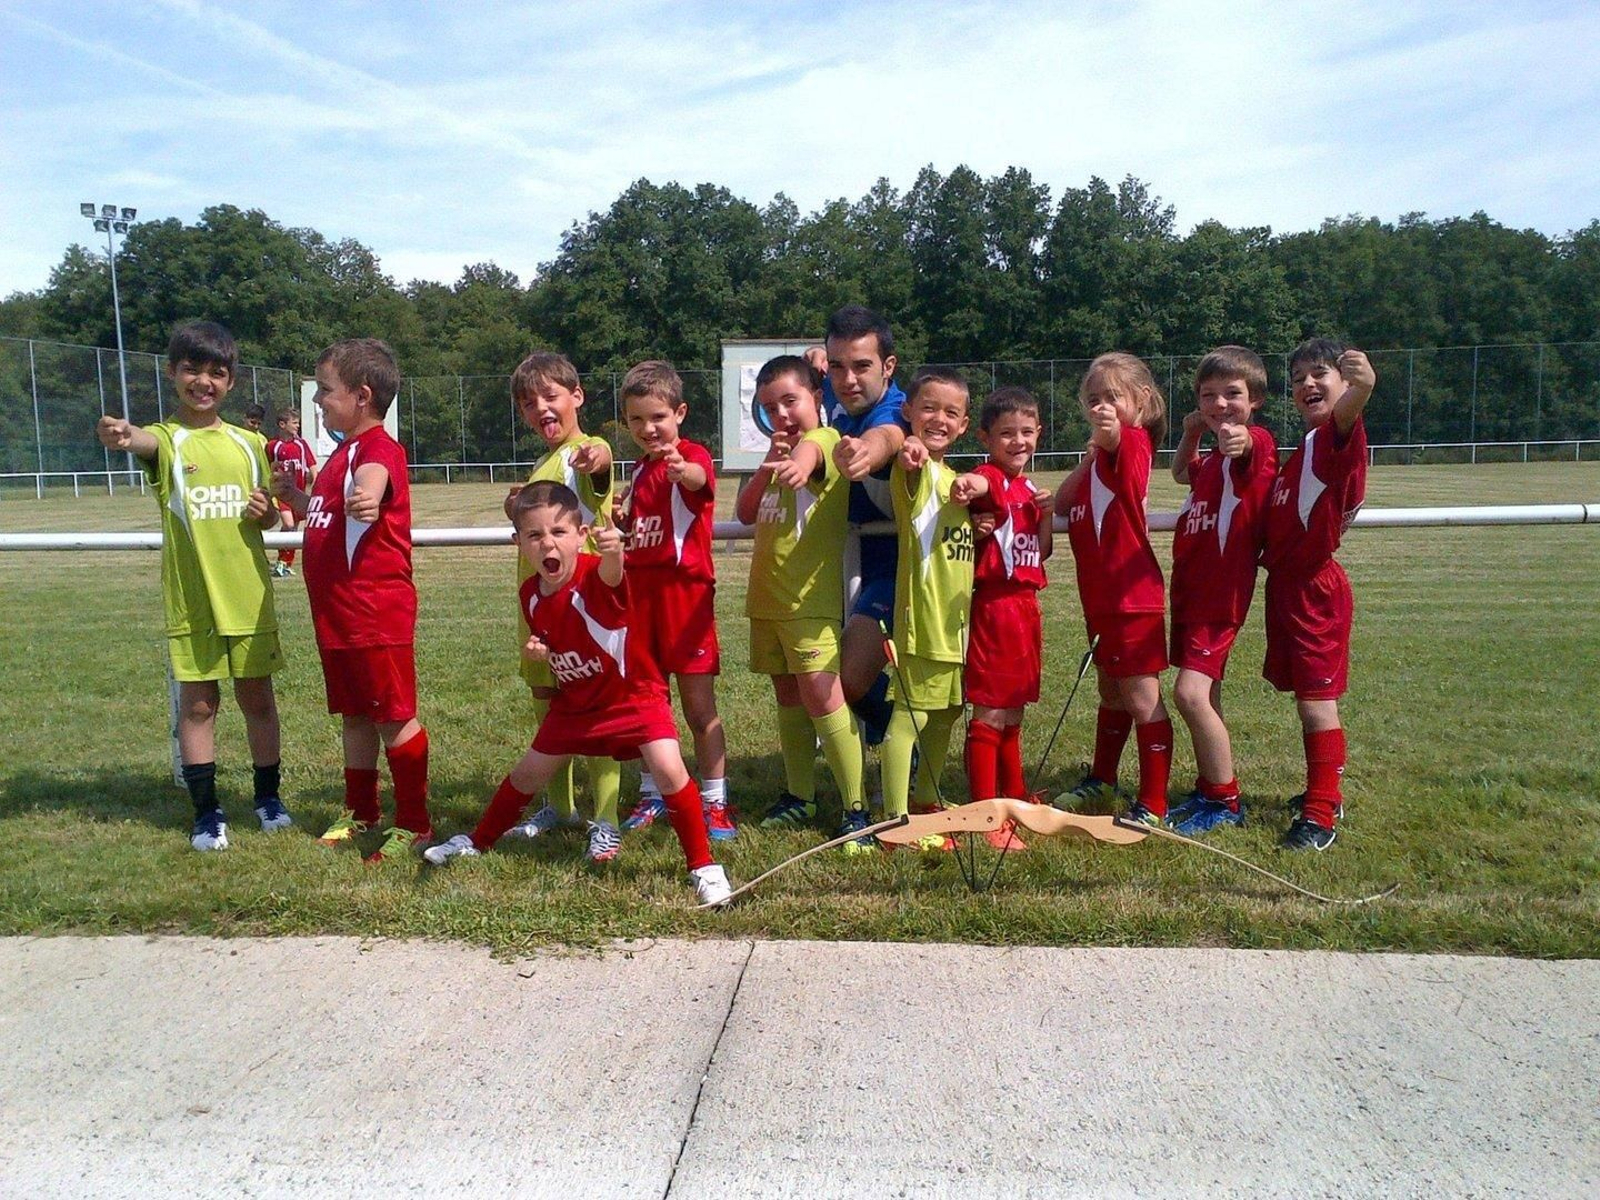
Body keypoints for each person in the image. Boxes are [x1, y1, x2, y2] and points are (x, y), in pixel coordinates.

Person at [424, 483, 733, 905]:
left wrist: (613, 552)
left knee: (668, 768)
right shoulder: (529, 593)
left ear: (581, 534)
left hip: (633, 696)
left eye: (559, 532)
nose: (548, 543)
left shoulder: (596, 574)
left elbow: (612, 577)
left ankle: (703, 865)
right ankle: (476, 841)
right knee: (527, 773)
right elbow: (554, 632)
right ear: (519, 544)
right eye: (534, 536)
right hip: (576, 704)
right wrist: (541, 649)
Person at [95, 320, 291, 851]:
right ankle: (206, 812)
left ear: (230, 381)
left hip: (248, 598)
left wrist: (267, 511)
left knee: (258, 701)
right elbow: (137, 440)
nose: (203, 382)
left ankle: (268, 798)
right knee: (199, 706)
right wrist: (120, 434)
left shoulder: (251, 443)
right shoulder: (165, 439)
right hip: (193, 600)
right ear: (172, 373)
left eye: (216, 373)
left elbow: (271, 520)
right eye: (191, 370)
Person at [271, 339, 431, 863]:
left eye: (326, 391)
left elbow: (373, 483)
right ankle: (361, 809)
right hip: (338, 614)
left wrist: (367, 494)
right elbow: (334, 512)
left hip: (373, 612)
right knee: (356, 715)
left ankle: (414, 820)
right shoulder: (340, 454)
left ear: (362, 396)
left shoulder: (378, 452)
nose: (318, 401)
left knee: (392, 715)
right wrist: (299, 500)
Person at [736, 356, 868, 841]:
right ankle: (800, 795)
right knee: (788, 695)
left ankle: (857, 809)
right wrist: (767, 466)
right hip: (767, 599)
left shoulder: (824, 442)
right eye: (770, 407)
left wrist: (798, 462)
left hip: (808, 601)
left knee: (821, 695)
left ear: (817, 397)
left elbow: (814, 451)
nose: (782, 414)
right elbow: (746, 513)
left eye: (790, 401)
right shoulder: (778, 453)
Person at [498, 351, 621, 859]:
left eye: (550, 396)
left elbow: (600, 469)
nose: (541, 409)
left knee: (597, 715)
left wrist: (596, 463)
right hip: (540, 610)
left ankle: (607, 817)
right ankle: (560, 807)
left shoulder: (588, 448)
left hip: (582, 611)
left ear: (577, 396)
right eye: (529, 403)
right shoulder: (542, 464)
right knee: (549, 710)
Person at [1262, 339, 1377, 851]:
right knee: (1305, 700)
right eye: (1299, 377)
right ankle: (1320, 789)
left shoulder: (1336, 434)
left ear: (1344, 383)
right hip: (1286, 587)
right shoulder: (1306, 446)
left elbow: (1349, 417)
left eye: (1320, 374)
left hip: (1314, 590)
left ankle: (1322, 812)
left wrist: (1365, 387)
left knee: (1317, 704)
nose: (1308, 383)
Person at [1052, 352, 1174, 826]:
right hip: (1101, 604)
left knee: (1143, 698)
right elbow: (1064, 500)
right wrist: (1092, 453)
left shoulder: (1136, 443)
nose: (1101, 407)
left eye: (1113, 398)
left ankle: (1154, 802)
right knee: (1110, 691)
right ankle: (1102, 778)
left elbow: (1134, 461)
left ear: (1140, 402)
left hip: (1132, 601)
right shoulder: (1100, 459)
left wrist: (1117, 435)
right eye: (1093, 399)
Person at [612, 361, 732, 840]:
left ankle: (715, 800)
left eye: (658, 417)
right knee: (648, 706)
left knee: (699, 708)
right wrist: (623, 517)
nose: (649, 428)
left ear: (679, 412)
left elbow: (699, 479)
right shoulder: (640, 471)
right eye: (637, 420)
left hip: (686, 601)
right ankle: (654, 793)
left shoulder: (690, 457)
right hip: (642, 602)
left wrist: (684, 471)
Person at [1165, 347, 1278, 837]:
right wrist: (1193, 431)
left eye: (1233, 394)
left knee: (1188, 694)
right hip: (1192, 592)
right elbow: (1178, 472)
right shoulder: (1210, 461)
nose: (1220, 404)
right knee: (1206, 694)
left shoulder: (1255, 444)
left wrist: (1240, 436)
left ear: (1255, 400)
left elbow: (1249, 445)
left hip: (1220, 597)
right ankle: (1211, 785)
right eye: (1208, 396)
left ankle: (1226, 800)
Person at [950, 387, 1053, 848]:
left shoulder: (1030, 488)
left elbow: (1041, 550)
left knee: (1013, 709)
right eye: (1007, 433)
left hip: (1025, 607)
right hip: (995, 605)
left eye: (1026, 432)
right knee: (990, 709)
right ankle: (985, 815)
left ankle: (1014, 798)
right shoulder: (991, 475)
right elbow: (977, 485)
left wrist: (1046, 517)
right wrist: (969, 488)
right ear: (987, 438)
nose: (1018, 441)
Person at [879, 368, 976, 844]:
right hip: (922, 623)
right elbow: (907, 455)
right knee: (909, 718)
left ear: (963, 424)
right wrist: (908, 450)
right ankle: (895, 822)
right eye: (929, 408)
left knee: (946, 714)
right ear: (909, 412)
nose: (939, 419)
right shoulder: (914, 470)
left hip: (955, 626)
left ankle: (925, 799)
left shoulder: (958, 481)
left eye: (951, 413)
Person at [817, 306, 909, 759]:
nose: (847, 379)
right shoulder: (833, 389)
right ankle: (887, 731)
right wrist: (816, 361)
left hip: (893, 567)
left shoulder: (896, 408)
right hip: (839, 563)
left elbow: (888, 436)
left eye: (862, 366)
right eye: (837, 366)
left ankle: (901, 735)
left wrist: (863, 456)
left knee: (848, 678)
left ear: (888, 367)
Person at [266, 408, 317, 578]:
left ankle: (285, 563)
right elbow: (269, 468)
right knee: (288, 524)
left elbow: (312, 466)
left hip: (299, 493)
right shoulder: (273, 446)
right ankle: (282, 561)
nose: (297, 426)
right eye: (294, 423)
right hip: (283, 494)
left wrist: (316, 482)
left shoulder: (301, 445)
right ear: (282, 424)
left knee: (294, 528)